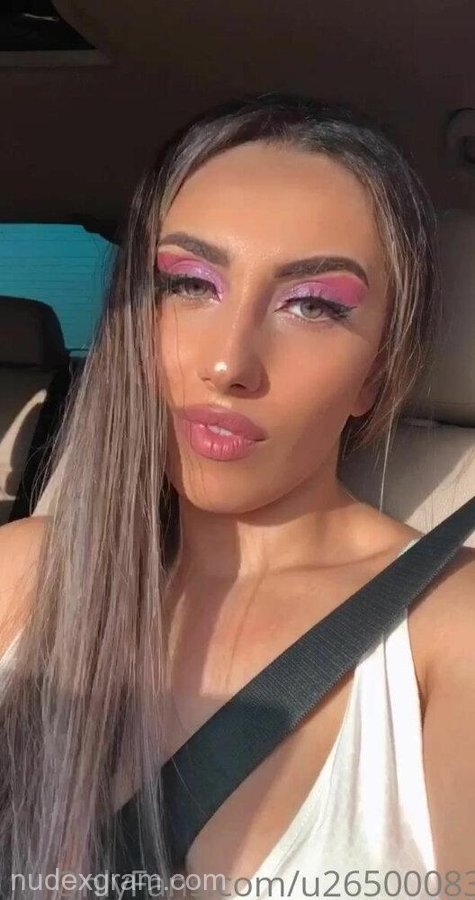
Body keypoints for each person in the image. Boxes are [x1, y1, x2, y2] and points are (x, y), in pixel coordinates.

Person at [0, 92, 474, 900]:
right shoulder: (22, 572)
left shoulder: (449, 632)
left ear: (378, 371)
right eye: (189, 285)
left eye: (313, 305)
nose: (228, 364)